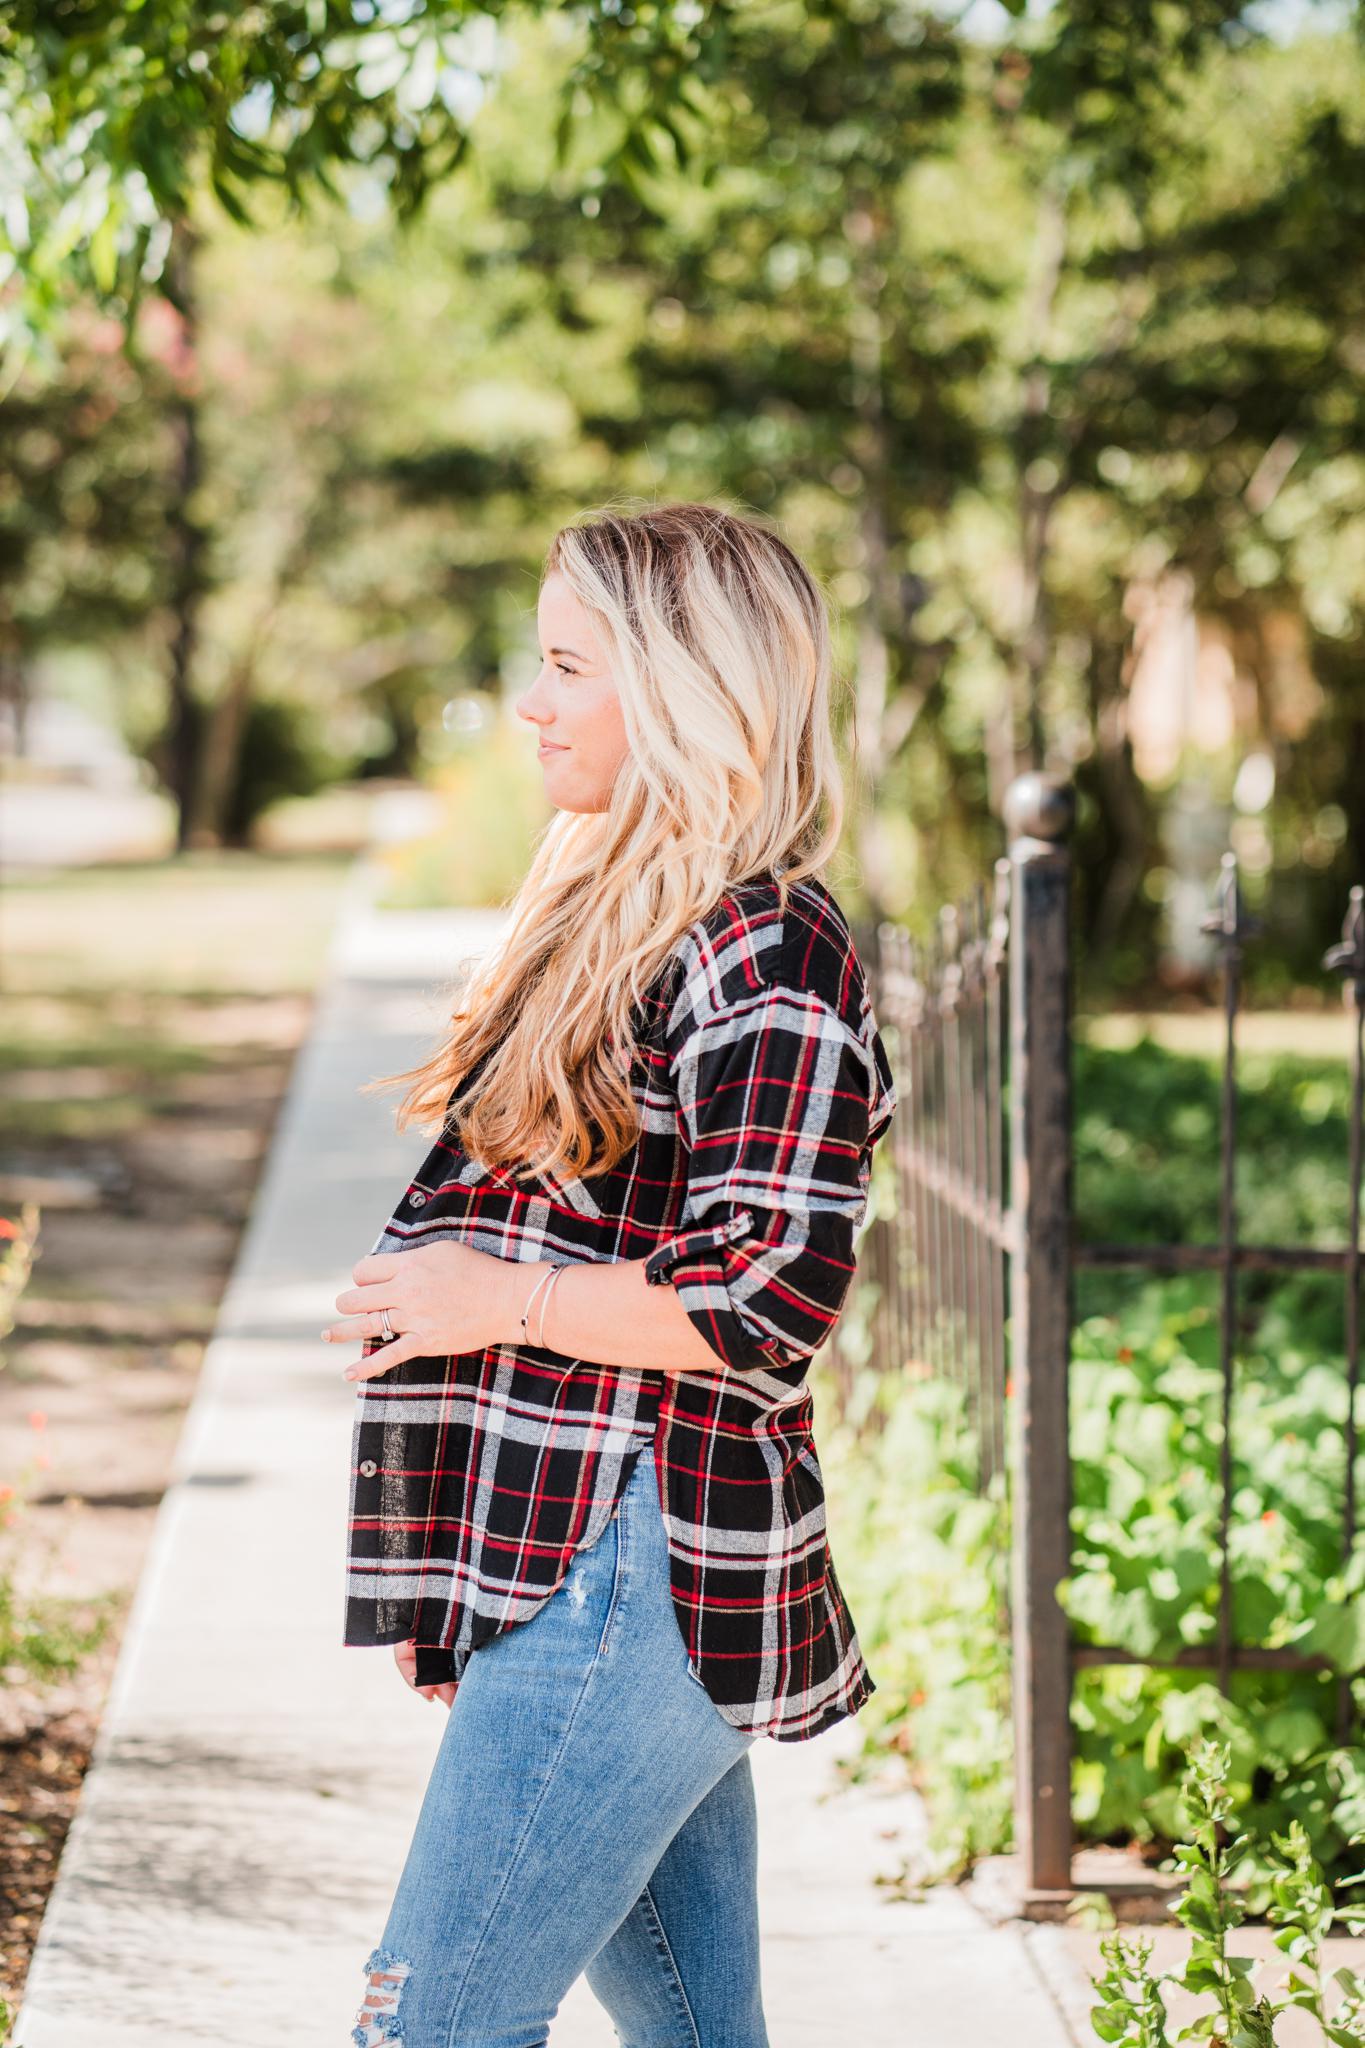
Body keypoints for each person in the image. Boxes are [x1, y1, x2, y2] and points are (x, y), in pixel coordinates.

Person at [321, 501, 898, 2048]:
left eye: (570, 664)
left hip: (641, 1569)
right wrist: (463, 1590)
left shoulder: (766, 954)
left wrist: (476, 1298)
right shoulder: (626, 913)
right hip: (567, 1566)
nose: (532, 701)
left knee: (423, 2029)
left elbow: (771, 1306)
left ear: (689, 684)